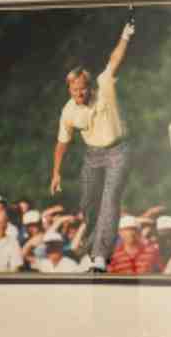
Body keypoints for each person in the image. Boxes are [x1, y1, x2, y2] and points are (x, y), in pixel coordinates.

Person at [49, 21, 136, 273]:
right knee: (88, 204)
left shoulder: (104, 86)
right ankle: (92, 250)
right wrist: (56, 172)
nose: (79, 94)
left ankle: (100, 256)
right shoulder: (68, 111)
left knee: (110, 199)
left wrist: (125, 36)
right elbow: (62, 142)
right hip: (93, 155)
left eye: (83, 89)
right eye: (74, 90)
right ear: (69, 89)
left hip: (118, 151)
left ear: (90, 87)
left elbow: (115, 59)